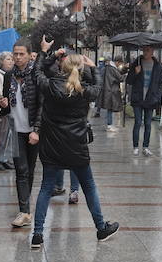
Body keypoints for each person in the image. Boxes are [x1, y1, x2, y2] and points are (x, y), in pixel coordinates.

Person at [31, 38, 119, 249]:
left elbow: (36, 73)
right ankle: (100, 228)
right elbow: (98, 88)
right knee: (88, 186)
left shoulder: (51, 85)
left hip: (51, 146)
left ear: (61, 67)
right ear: (79, 69)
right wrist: (93, 67)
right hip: (76, 146)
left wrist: (47, 53)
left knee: (45, 188)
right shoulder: (83, 91)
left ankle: (37, 234)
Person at [0, 39, 42, 228]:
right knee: (21, 170)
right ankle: (24, 211)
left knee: (30, 170)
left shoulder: (35, 75)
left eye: (21, 54)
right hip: (16, 130)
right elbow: (6, 104)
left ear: (29, 55)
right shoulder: (9, 75)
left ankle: (26, 206)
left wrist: (37, 130)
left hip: (33, 130)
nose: (17, 57)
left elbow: (42, 105)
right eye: (15, 54)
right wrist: (3, 105)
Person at [125, 45, 162, 156]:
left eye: (148, 50)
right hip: (138, 98)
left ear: (152, 51)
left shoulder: (157, 66)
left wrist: (157, 96)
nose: (145, 52)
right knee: (138, 122)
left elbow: (161, 83)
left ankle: (146, 147)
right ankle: (135, 146)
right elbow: (129, 80)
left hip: (150, 98)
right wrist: (135, 73)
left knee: (148, 123)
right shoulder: (136, 63)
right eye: (144, 50)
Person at [0, 51, 15, 171]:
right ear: (1, 61)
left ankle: (4, 159)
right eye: (8, 59)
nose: (11, 61)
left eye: (11, 59)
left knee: (6, 137)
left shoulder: (9, 73)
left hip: (7, 109)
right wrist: (9, 94)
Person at [99, 56, 124, 133]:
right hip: (111, 91)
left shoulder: (107, 68)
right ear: (117, 62)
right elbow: (120, 78)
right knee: (110, 109)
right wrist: (125, 74)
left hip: (108, 90)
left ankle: (109, 125)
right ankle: (109, 125)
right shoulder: (112, 69)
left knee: (109, 109)